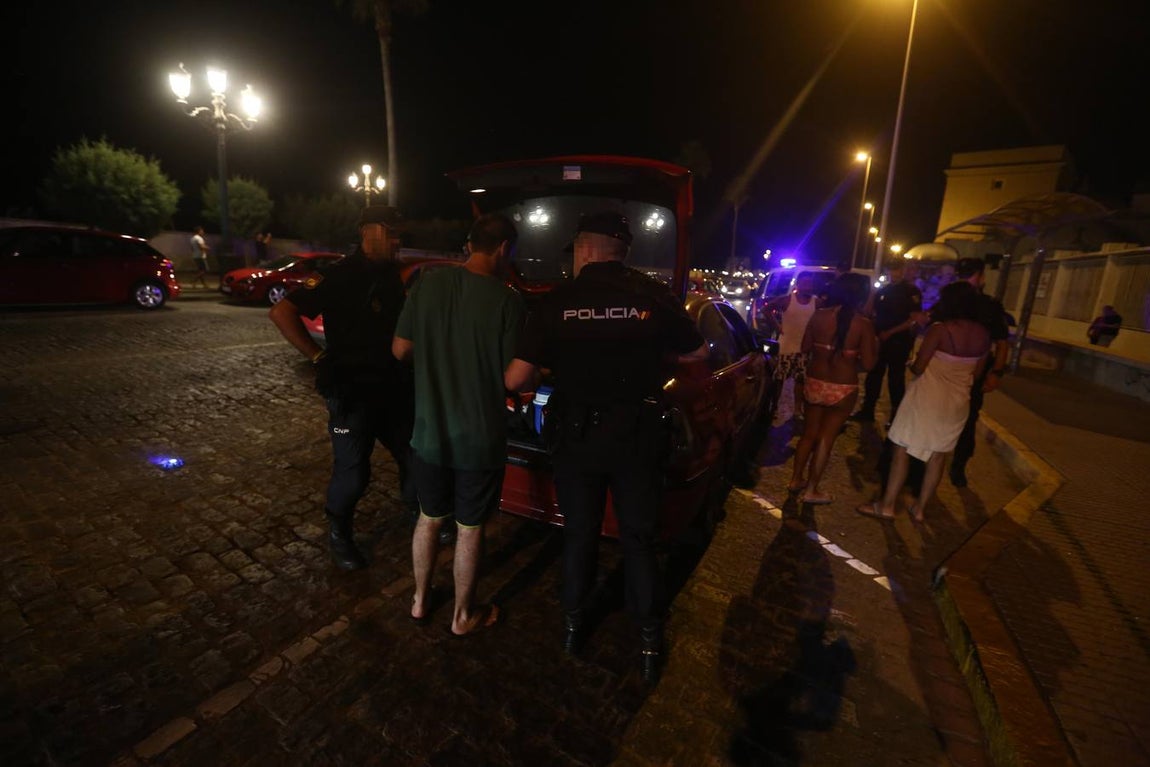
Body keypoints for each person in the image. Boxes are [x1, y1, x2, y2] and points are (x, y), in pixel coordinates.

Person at [505, 211, 708, 685]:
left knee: (580, 532)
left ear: (582, 249)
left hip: (577, 437)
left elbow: (517, 378)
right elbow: (699, 352)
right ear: (623, 252)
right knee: (639, 540)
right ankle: (649, 639)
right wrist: (653, 353)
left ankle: (575, 623)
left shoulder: (558, 302)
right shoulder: (652, 297)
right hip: (637, 436)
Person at [392, 213, 525, 637]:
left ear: (469, 244)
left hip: (429, 432)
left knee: (429, 517)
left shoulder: (428, 284)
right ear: (504, 248)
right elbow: (513, 379)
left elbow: (400, 349)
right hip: (478, 439)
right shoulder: (507, 302)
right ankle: (462, 615)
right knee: (469, 528)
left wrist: (435, 361)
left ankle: (419, 601)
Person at [269, 205, 419, 570]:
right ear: (369, 231)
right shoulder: (337, 275)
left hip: (394, 388)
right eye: (392, 233)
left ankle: (422, 517)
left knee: (416, 460)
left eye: (400, 233)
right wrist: (317, 357)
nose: (398, 241)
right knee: (353, 472)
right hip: (351, 391)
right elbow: (282, 312)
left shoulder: (393, 276)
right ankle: (339, 532)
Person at [858, 280, 990, 522]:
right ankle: (919, 509)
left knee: (902, 448)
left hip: (927, 398)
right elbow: (977, 374)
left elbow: (920, 366)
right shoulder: (983, 335)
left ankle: (887, 505)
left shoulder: (941, 329)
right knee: (938, 455)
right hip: (958, 402)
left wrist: (914, 363)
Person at [787, 272, 877, 504]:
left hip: (816, 381)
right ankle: (812, 490)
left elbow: (805, 347)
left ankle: (796, 480)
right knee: (827, 438)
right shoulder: (863, 324)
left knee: (808, 434)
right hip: (843, 387)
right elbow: (868, 364)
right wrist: (851, 357)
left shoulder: (818, 315)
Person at [948, 257, 1011, 488]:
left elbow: (1002, 343)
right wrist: (996, 373)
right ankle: (955, 466)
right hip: (967, 373)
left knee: (963, 418)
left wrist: (996, 373)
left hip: (956, 373)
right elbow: (1002, 343)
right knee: (965, 419)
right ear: (981, 276)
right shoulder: (986, 305)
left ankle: (952, 464)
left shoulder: (951, 302)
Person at [850, 261, 922, 424]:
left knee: (895, 379)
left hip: (899, 342)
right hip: (880, 341)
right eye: (892, 270)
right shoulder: (884, 291)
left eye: (898, 270)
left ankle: (896, 417)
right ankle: (867, 411)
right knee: (874, 376)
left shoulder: (911, 291)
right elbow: (868, 313)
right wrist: (872, 294)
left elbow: (913, 319)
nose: (895, 273)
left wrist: (890, 332)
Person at [759, 272, 818, 423]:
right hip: (787, 346)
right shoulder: (787, 300)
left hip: (805, 349)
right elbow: (766, 309)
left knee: (800, 380)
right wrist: (777, 326)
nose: (808, 286)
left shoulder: (816, 302)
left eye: (810, 283)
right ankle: (775, 407)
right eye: (805, 283)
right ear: (798, 284)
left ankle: (797, 409)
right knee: (779, 379)